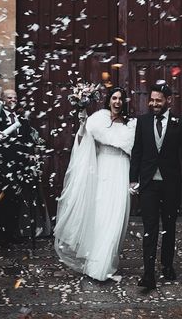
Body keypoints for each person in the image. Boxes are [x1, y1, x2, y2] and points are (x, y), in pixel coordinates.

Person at [55, 86, 136, 281]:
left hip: (121, 170)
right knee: (100, 218)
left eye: (120, 99)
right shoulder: (98, 120)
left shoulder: (131, 124)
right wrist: (82, 118)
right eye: (114, 98)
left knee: (116, 218)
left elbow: (136, 152)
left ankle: (106, 262)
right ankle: (96, 265)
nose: (117, 102)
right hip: (102, 170)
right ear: (109, 100)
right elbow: (83, 140)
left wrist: (135, 179)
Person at [130, 83, 182, 293]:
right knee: (150, 228)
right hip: (148, 184)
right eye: (152, 100)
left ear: (168, 100)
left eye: (158, 100)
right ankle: (148, 273)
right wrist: (133, 179)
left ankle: (167, 264)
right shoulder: (143, 121)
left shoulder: (181, 123)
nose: (154, 104)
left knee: (168, 226)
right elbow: (137, 150)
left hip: (171, 184)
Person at [0, 88, 50, 243]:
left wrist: (30, 154)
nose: (13, 100)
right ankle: (0, 237)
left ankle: (13, 234)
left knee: (16, 199)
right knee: (1, 200)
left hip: (20, 167)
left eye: (15, 97)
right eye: (9, 97)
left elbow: (28, 140)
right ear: (2, 100)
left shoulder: (22, 119)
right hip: (2, 166)